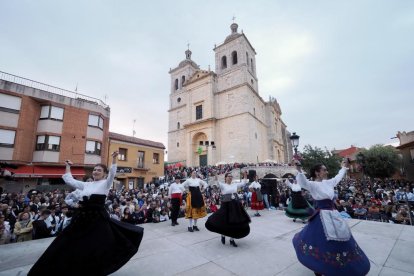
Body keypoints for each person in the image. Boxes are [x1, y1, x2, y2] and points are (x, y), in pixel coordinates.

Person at [28, 151, 144, 276]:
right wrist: (68, 166)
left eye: (99, 170)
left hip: (97, 220)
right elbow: (70, 181)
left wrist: (115, 159)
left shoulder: (106, 184)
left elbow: (112, 173)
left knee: (96, 246)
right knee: (67, 243)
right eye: (94, 170)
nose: (95, 171)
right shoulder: (86, 185)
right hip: (81, 219)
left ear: (104, 174)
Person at [292, 160, 370, 276]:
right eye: (324, 170)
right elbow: (303, 182)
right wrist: (299, 169)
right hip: (322, 216)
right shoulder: (312, 184)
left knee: (342, 237)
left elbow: (338, 177)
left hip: (334, 214)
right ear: (317, 173)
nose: (326, 171)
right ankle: (319, 267)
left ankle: (340, 266)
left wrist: (344, 167)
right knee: (321, 241)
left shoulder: (328, 183)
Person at [205, 171, 251, 247]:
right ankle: (223, 235)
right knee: (224, 222)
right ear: (225, 178)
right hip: (226, 206)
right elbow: (217, 182)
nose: (230, 177)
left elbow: (244, 183)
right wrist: (216, 175)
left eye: (231, 176)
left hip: (235, 206)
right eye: (228, 176)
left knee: (233, 223)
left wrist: (245, 175)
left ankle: (232, 239)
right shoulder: (223, 185)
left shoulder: (235, 185)